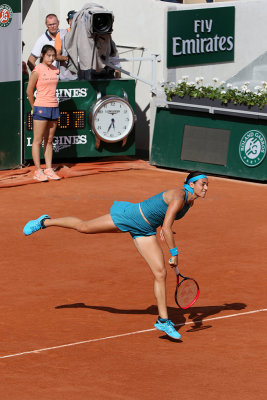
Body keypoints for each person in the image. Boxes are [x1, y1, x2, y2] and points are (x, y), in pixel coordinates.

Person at [23, 172, 209, 339]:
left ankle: (163, 320)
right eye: (202, 184)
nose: (206, 188)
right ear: (191, 184)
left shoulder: (189, 202)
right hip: (131, 217)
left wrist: (164, 229)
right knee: (84, 227)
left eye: (207, 184)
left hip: (146, 230)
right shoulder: (179, 196)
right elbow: (167, 226)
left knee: (160, 273)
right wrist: (174, 253)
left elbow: (165, 220)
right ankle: (44, 222)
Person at [26, 44, 61, 182]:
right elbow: (29, 91)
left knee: (49, 140)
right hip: (41, 106)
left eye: (53, 56)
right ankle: (38, 170)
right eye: (48, 55)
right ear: (42, 55)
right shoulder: (37, 70)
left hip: (54, 107)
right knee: (37, 140)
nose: (51, 58)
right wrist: (33, 106)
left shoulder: (55, 70)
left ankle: (48, 168)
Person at [54, 10, 78, 80]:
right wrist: (67, 58)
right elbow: (56, 56)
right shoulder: (61, 34)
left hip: (83, 76)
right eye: (73, 20)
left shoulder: (84, 35)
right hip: (66, 76)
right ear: (69, 21)